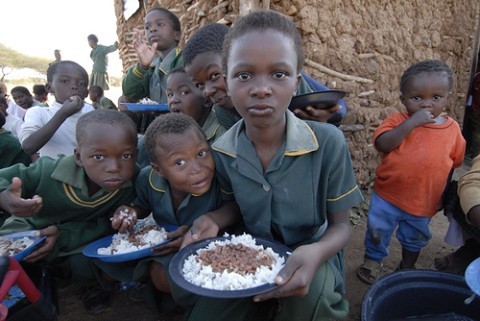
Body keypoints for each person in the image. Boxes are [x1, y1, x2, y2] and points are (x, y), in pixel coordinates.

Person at [181, 10, 364, 321]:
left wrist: (316, 252)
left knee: (312, 305)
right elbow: (234, 207)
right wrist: (213, 219)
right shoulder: (223, 150)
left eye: (278, 74)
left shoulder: (328, 142)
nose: (261, 88)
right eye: (244, 75)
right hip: (252, 252)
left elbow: (341, 226)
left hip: (312, 250)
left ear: (296, 81)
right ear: (228, 80)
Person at [94, 113, 235, 317]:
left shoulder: (219, 178)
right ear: (158, 170)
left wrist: (212, 220)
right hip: (165, 244)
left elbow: (235, 208)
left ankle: (195, 305)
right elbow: (142, 204)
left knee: (161, 275)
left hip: (211, 243)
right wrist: (131, 211)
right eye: (179, 163)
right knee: (107, 264)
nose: (198, 169)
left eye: (202, 153)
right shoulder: (147, 179)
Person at [0, 109, 139, 315]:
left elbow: (141, 205)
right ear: (79, 157)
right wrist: (4, 197)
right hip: (31, 233)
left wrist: (130, 209)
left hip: (78, 241)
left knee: (100, 259)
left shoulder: (133, 180)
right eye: (98, 156)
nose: (114, 167)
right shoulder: (47, 171)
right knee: (9, 260)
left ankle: (90, 285)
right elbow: (6, 178)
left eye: (126, 155)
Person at [356, 60, 466, 285]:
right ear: (403, 99)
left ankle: (407, 265)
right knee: (377, 230)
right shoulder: (397, 121)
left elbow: (452, 167)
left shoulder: (453, 130)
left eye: (436, 97)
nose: (427, 105)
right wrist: (411, 124)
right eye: (417, 98)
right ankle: (373, 261)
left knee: (415, 237)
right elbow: (384, 144)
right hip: (387, 195)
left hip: (423, 201)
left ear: (447, 97)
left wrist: (443, 196)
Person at [182, 23, 346, 131]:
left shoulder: (284, 88)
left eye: (214, 75)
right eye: (199, 85)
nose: (208, 91)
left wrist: (319, 125)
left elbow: (326, 118)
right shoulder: (223, 112)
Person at [122, 7, 183, 133]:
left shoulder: (184, 59)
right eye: (147, 27)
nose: (153, 29)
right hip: (154, 126)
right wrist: (142, 66)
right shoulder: (150, 63)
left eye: (160, 24)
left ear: (177, 34)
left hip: (180, 125)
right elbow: (129, 91)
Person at [19, 60, 95, 159]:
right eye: (65, 81)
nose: (74, 86)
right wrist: (63, 113)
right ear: (49, 87)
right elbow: (29, 146)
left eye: (82, 84)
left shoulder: (91, 113)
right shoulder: (39, 113)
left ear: (86, 93)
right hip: (54, 173)